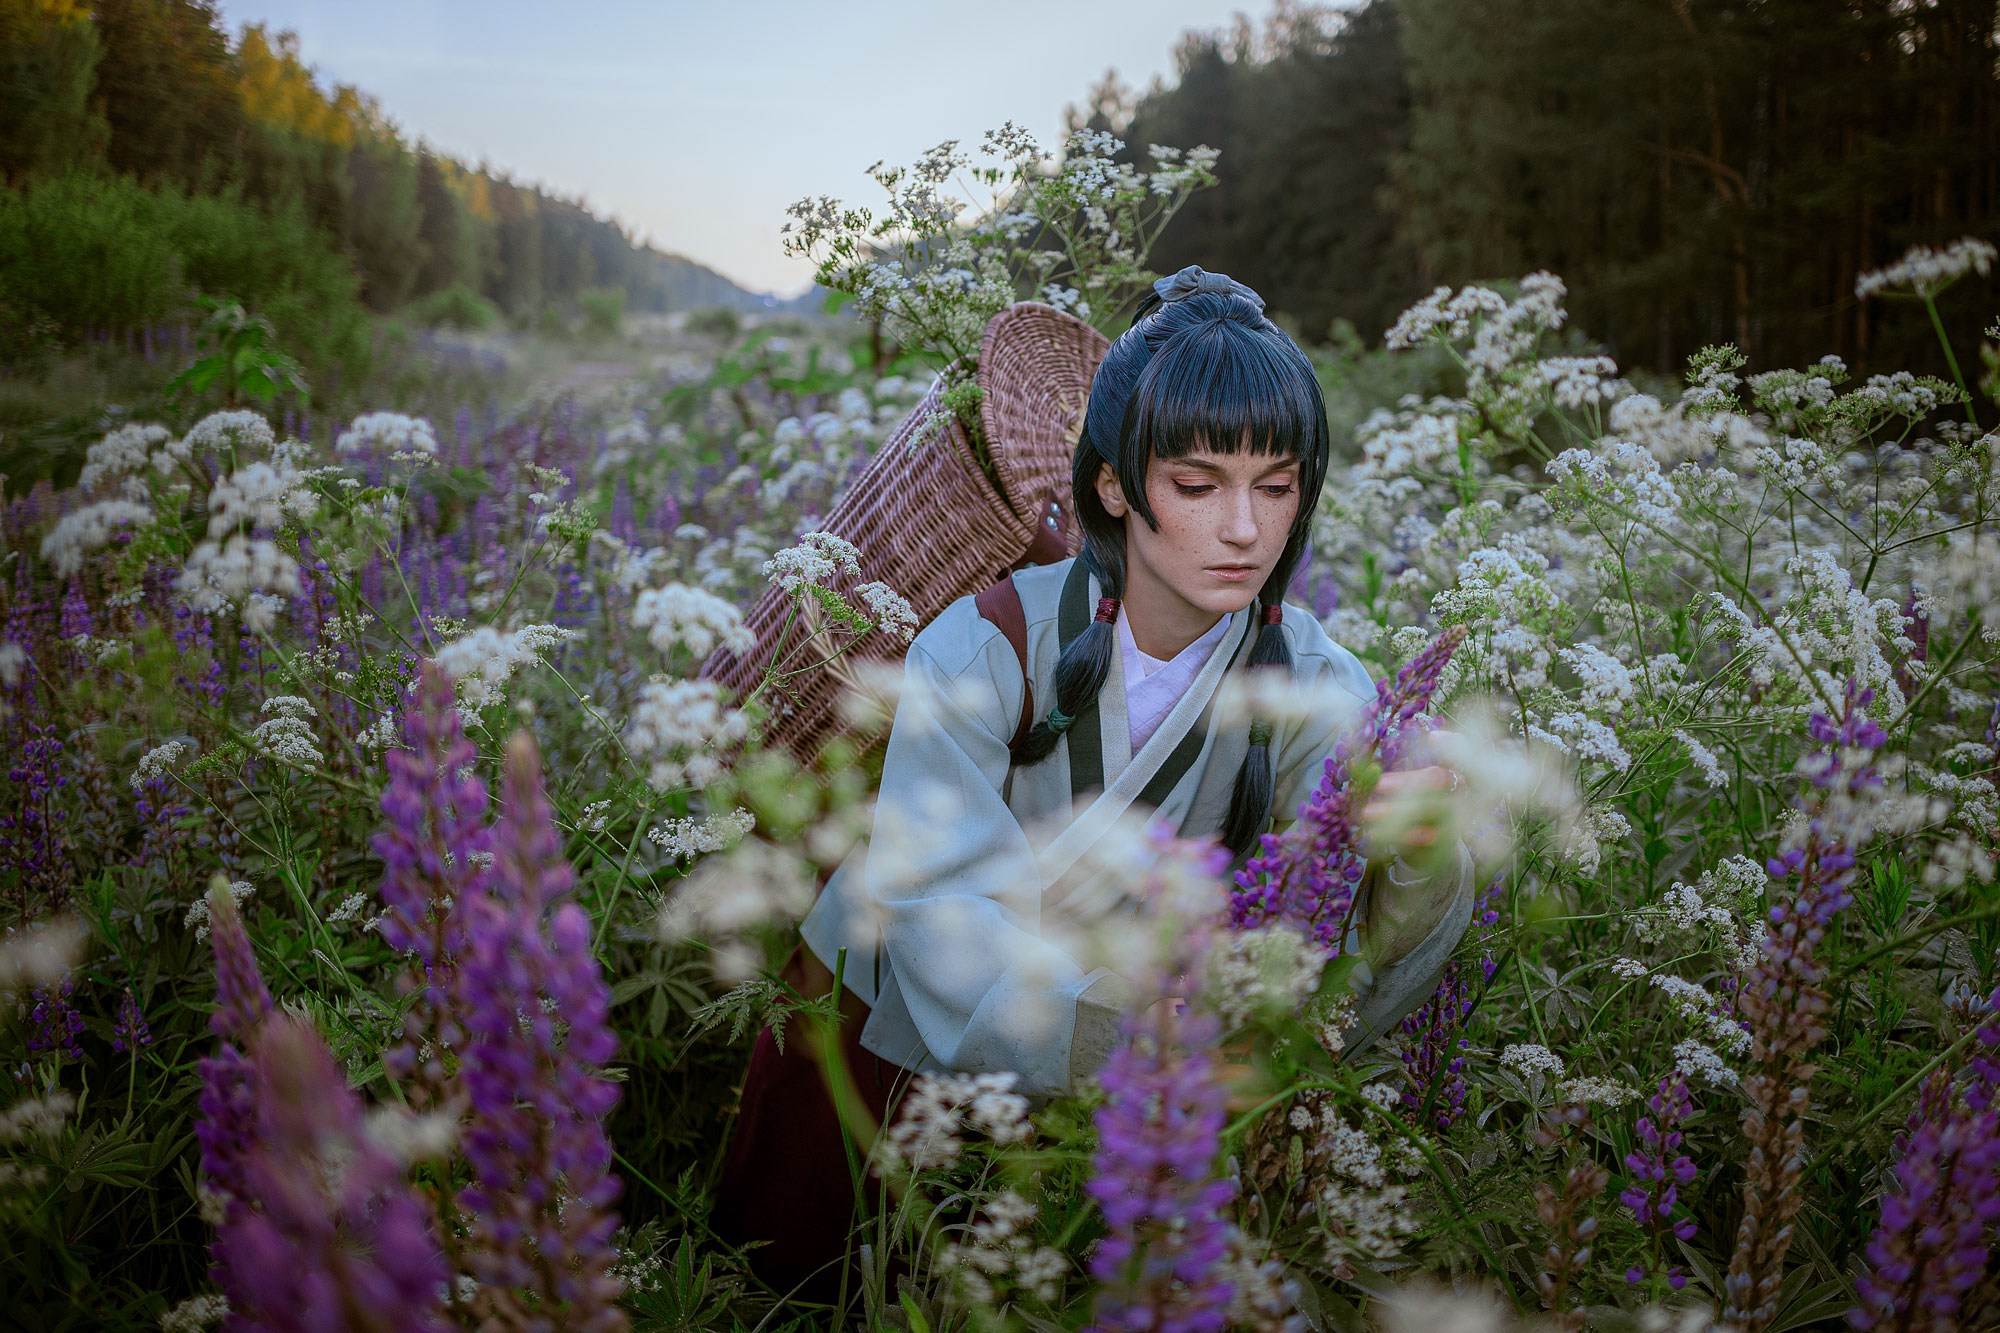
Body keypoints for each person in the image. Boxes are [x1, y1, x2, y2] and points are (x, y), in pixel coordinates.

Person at [712, 266, 1473, 1298]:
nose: (1245, 529)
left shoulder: (1317, 686)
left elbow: (1343, 954)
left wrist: (1417, 851)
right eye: (1197, 485)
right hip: (898, 1030)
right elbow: (934, 914)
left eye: (1277, 485)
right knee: (804, 1290)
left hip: (1147, 1070)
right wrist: (1124, 1033)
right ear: (1113, 485)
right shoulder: (983, 645)